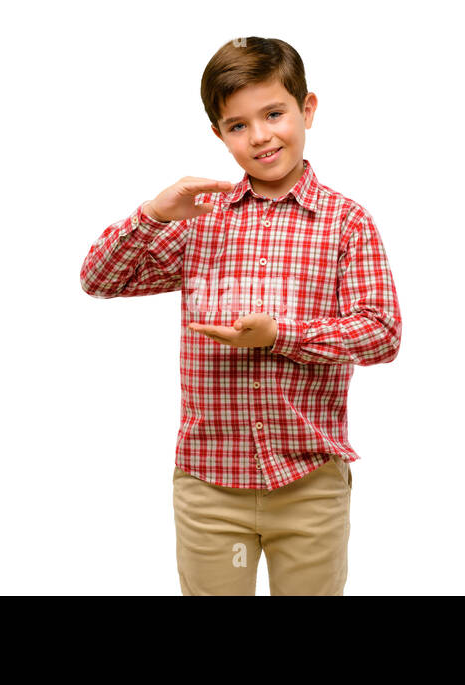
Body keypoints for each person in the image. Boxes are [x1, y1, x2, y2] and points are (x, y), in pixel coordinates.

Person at [81, 36, 402, 595]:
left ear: (307, 109)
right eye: (238, 125)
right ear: (219, 134)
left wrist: (280, 337)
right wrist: (153, 214)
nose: (260, 136)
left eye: (274, 114)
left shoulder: (347, 223)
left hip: (309, 484)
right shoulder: (199, 220)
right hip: (210, 485)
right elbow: (99, 279)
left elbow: (381, 333)